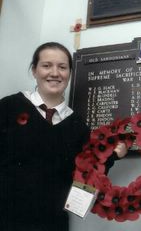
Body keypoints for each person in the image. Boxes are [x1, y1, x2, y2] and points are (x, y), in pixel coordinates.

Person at [0, 42, 127, 231]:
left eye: (62, 67)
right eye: (46, 65)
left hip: (52, 224)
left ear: (69, 73)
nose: (54, 73)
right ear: (34, 71)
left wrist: (113, 156)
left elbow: (86, 178)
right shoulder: (8, 107)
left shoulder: (79, 128)